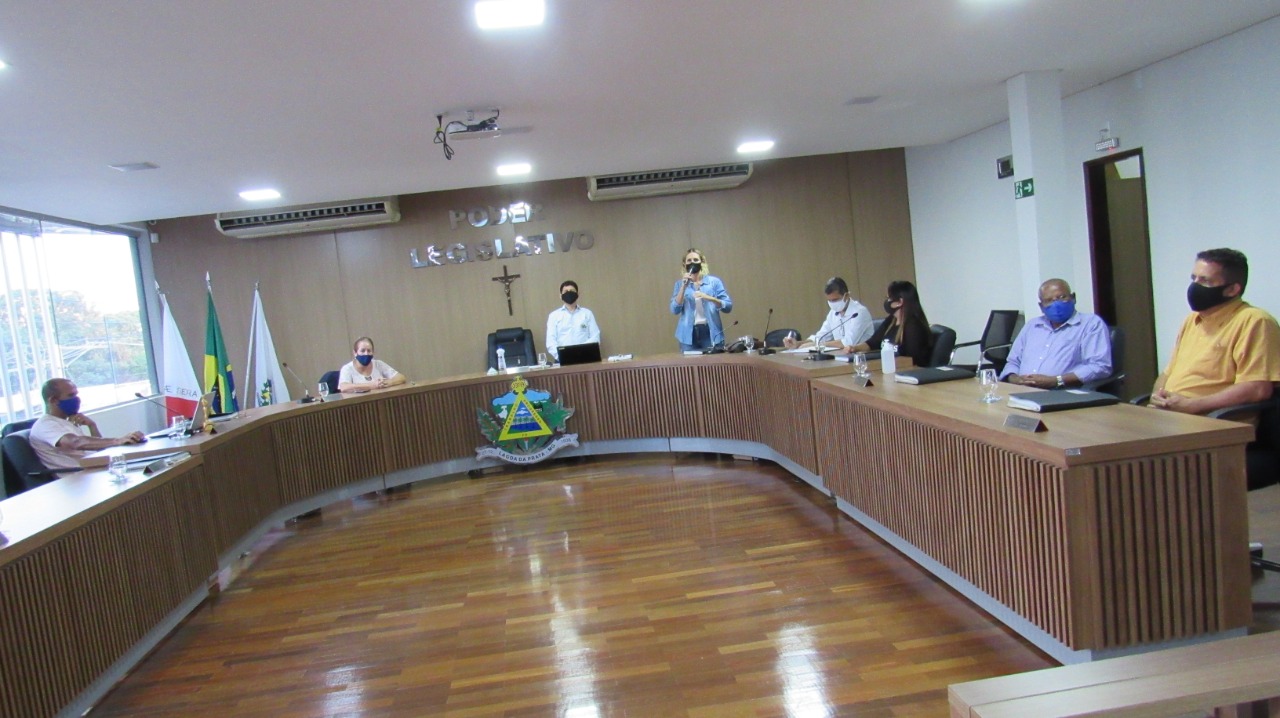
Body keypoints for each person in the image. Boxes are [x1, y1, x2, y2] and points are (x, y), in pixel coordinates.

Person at [1150, 248, 1280, 414]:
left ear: (1232, 290)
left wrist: (1192, 405)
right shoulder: (1192, 320)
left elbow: (1257, 388)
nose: (1195, 286)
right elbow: (1167, 373)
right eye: (1194, 278)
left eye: (1205, 281)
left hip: (1212, 420)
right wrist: (1158, 395)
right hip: (1169, 414)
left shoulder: (1255, 321)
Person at [1000, 278, 1112, 389]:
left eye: (1062, 297)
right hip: (1021, 390)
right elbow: (1013, 362)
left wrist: (1056, 381)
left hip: (1061, 393)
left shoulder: (1090, 324)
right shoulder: (1032, 326)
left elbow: (1099, 366)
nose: (1056, 304)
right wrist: (1015, 379)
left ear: (1073, 298)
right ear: (1041, 306)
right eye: (1049, 300)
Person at [29, 378, 146, 470]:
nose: (77, 399)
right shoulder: (45, 424)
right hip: (76, 479)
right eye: (71, 395)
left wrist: (92, 426)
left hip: (93, 469)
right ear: (53, 400)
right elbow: (75, 442)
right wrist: (118, 440)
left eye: (76, 394)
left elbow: (100, 449)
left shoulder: (67, 421)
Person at [842, 280, 934, 367]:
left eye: (889, 298)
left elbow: (913, 360)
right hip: (890, 368)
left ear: (900, 302)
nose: (887, 301)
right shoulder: (891, 320)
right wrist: (854, 348)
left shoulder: (914, 327)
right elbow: (872, 343)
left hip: (906, 371)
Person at [783, 277, 873, 352]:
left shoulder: (860, 312)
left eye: (835, 300)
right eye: (829, 300)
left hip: (863, 357)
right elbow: (821, 336)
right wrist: (798, 344)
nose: (832, 303)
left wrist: (817, 345)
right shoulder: (833, 313)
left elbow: (848, 342)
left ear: (846, 296)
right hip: (842, 356)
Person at [670, 248, 733, 351]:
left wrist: (709, 298)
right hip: (688, 334)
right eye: (689, 260)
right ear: (684, 264)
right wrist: (683, 287)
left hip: (710, 331)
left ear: (702, 262)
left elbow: (728, 306)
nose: (692, 263)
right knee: (689, 361)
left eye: (695, 260)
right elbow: (674, 309)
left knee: (713, 361)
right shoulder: (679, 284)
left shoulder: (714, 282)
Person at [545, 280, 601, 362]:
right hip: (562, 360)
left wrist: (581, 353)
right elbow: (551, 342)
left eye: (572, 291)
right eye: (565, 291)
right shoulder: (553, 316)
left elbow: (595, 337)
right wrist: (563, 356)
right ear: (560, 296)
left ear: (578, 294)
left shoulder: (587, 313)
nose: (569, 293)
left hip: (586, 358)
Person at [338, 336, 406, 393]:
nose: (366, 353)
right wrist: (371, 385)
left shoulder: (378, 364)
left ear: (373, 352)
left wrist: (389, 382)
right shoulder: (347, 368)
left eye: (369, 351)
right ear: (355, 353)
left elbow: (401, 377)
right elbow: (344, 387)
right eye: (362, 351)